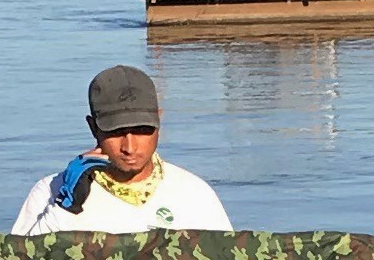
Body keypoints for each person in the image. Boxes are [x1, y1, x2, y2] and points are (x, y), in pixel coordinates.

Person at [12, 62, 232, 233]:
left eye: (141, 130)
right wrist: (65, 207)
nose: (129, 146)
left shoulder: (193, 195)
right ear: (93, 127)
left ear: (159, 121)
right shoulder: (51, 192)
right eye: (116, 132)